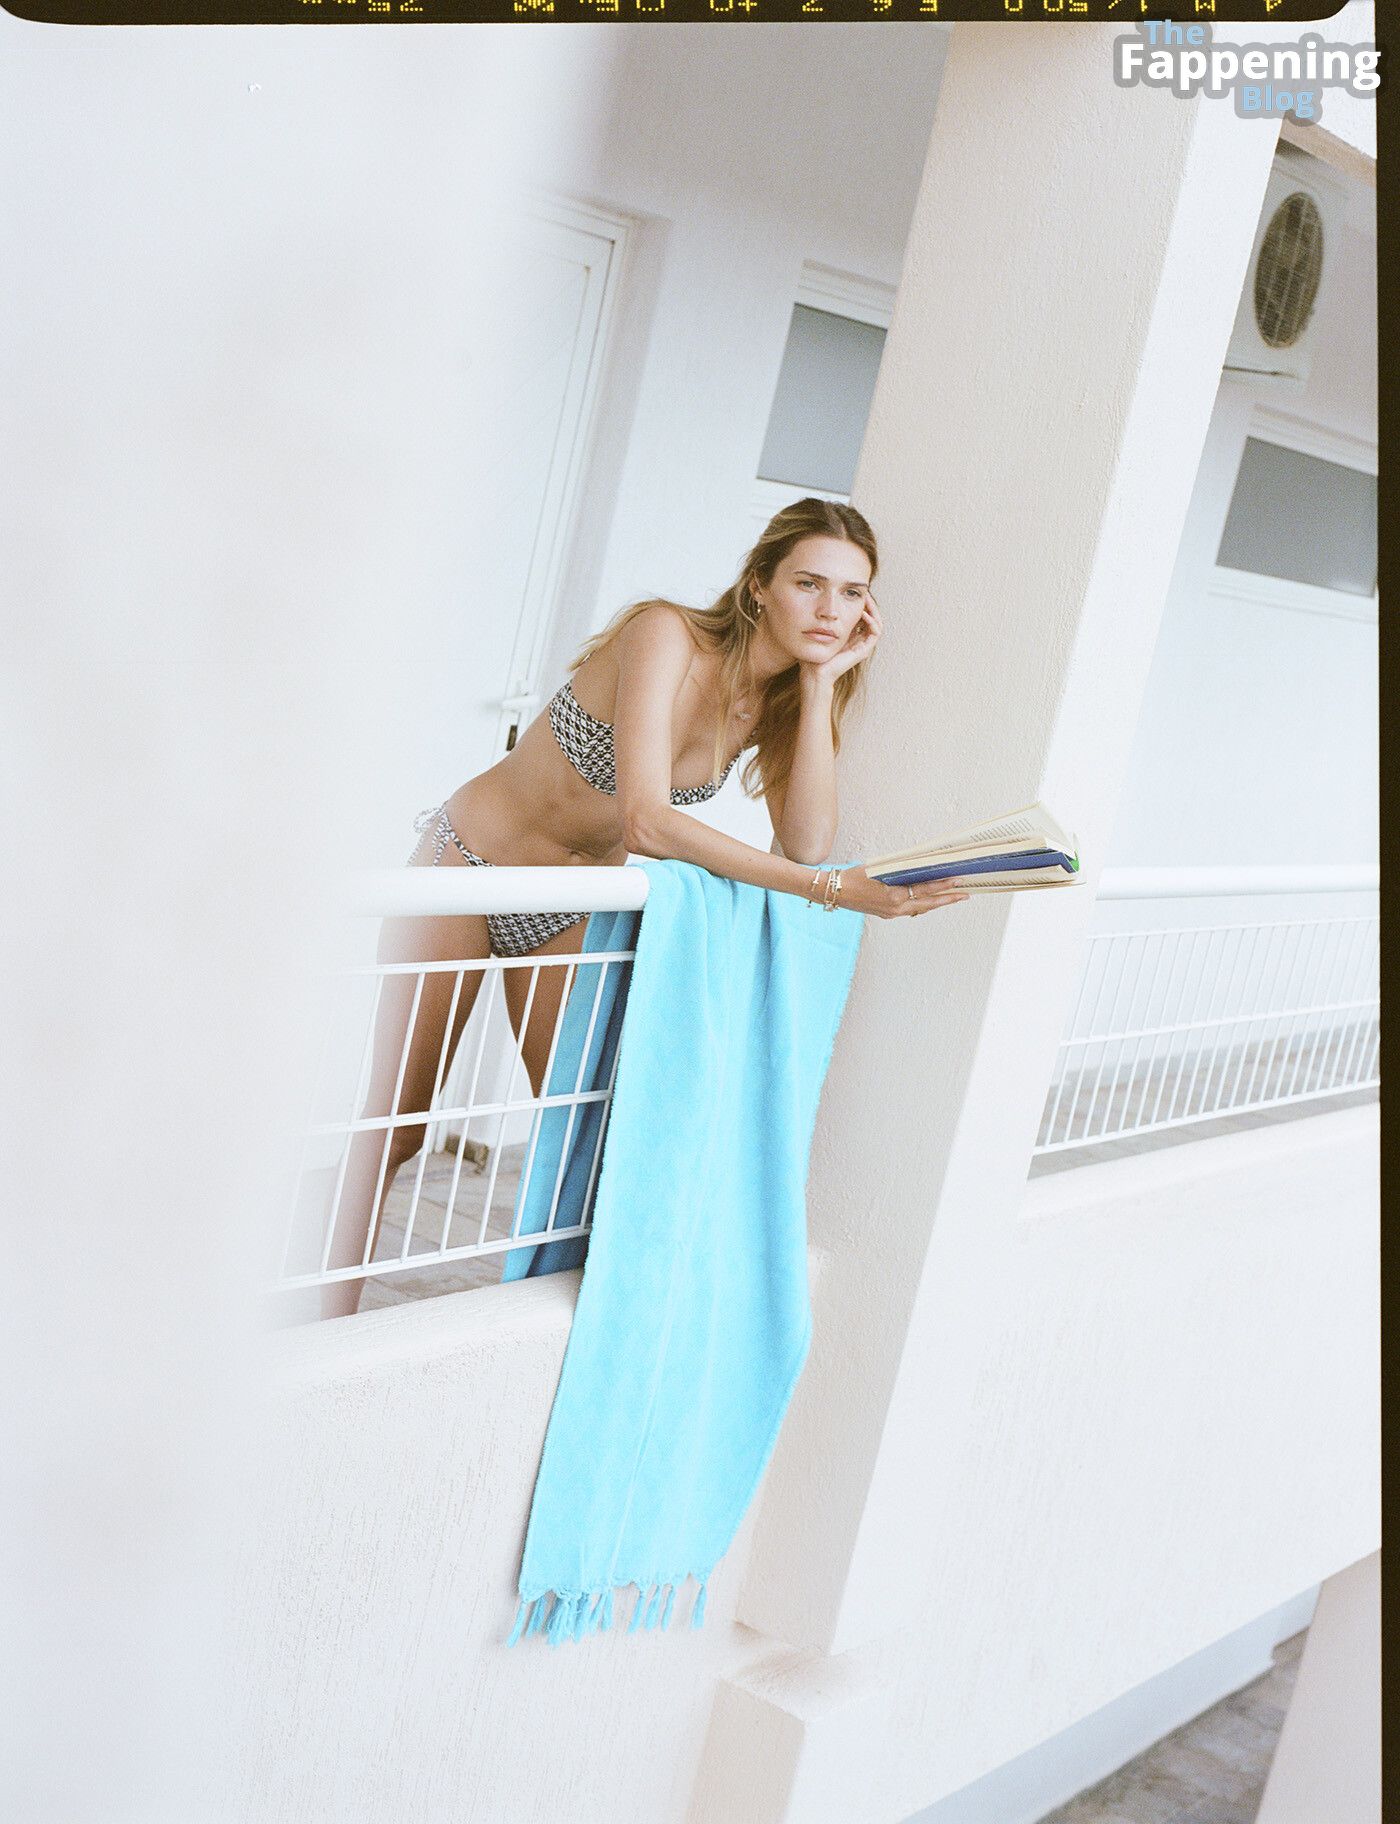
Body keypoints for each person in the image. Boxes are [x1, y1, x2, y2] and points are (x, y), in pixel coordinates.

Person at [319, 497, 968, 1317]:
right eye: (808, 583)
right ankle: (316, 1325)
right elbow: (647, 822)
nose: (829, 610)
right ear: (760, 585)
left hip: (568, 905)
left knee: (581, 1130)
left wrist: (817, 685)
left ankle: (557, 1325)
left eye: (851, 593)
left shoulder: (771, 703)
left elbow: (807, 841)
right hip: (469, 866)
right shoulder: (665, 635)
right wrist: (835, 892)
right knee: (397, 1125)